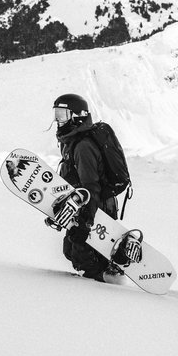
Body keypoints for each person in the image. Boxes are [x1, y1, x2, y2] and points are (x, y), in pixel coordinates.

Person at [51, 93, 136, 283]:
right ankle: (109, 273)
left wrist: (85, 223)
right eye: (56, 115)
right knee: (71, 251)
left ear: (77, 115)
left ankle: (108, 287)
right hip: (86, 206)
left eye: (62, 115)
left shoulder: (83, 147)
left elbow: (90, 187)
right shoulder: (73, 142)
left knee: (86, 259)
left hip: (96, 208)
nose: (58, 120)